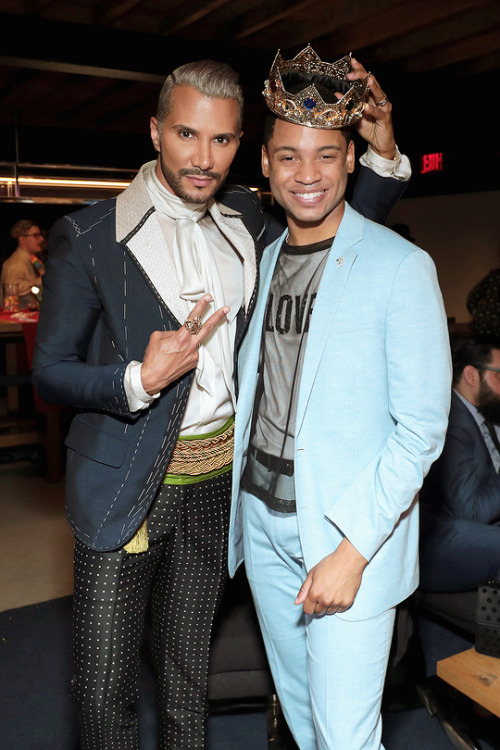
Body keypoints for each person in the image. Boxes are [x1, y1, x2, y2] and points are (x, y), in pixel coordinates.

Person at [33, 57, 408, 750]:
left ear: (242, 146)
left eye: (223, 141)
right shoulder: (89, 236)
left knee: (185, 679)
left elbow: (343, 235)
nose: (204, 159)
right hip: (123, 489)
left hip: (219, 487)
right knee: (104, 692)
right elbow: (49, 373)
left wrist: (381, 156)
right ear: (154, 132)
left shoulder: (247, 219)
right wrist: (133, 381)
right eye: (186, 135)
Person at [228, 45, 452, 750]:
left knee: (348, 738)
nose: (307, 174)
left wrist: (352, 550)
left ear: (352, 159)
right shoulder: (261, 263)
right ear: (264, 164)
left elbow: (421, 430)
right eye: (289, 156)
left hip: (345, 533)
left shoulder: (401, 265)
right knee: (302, 719)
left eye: (326, 155)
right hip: (263, 522)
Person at [420, 336, 500, 592]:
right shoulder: (451, 421)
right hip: (441, 539)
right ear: (471, 376)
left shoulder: (483, 412)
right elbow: (472, 510)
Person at [1, 219, 45, 308]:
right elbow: (11, 293)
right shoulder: (15, 264)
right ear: (22, 239)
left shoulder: (33, 261)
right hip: (18, 320)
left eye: (40, 235)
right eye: (36, 235)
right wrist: (44, 280)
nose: (41, 239)